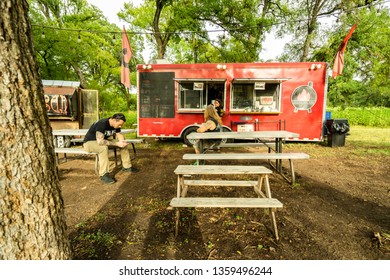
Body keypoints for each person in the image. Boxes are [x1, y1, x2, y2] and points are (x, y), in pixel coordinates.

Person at [83, 113, 138, 184]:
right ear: (114, 120)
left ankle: (127, 167)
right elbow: (100, 142)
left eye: (121, 125)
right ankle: (103, 174)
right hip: (89, 143)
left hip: (102, 142)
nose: (120, 126)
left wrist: (121, 141)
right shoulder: (102, 123)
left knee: (123, 144)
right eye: (119, 124)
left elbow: (119, 134)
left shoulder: (117, 125)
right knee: (103, 148)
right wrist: (117, 143)